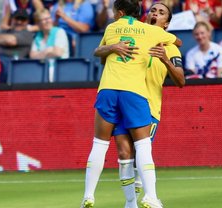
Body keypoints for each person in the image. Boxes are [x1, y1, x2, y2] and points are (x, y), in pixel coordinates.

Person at [80, 0, 179, 207]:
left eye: (161, 12)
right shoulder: (147, 32)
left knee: (108, 145)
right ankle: (133, 202)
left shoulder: (114, 28)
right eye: (153, 10)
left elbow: (181, 78)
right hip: (134, 96)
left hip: (140, 101)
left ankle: (91, 195)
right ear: (143, 14)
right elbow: (179, 40)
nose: (155, 14)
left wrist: (165, 57)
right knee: (127, 153)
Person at [0, 9, 35, 83]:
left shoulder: (28, 34)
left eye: (22, 20)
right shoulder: (4, 32)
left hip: (13, 64)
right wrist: (0, 39)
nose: (19, 22)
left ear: (27, 22)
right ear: (12, 19)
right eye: (17, 19)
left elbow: (11, 41)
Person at [30, 9, 70, 82]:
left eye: (49, 18)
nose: (48, 21)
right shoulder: (37, 36)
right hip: (41, 71)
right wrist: (48, 50)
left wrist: (40, 54)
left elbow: (58, 53)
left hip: (60, 71)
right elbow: (32, 57)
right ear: (38, 23)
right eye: (44, 19)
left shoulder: (59, 32)